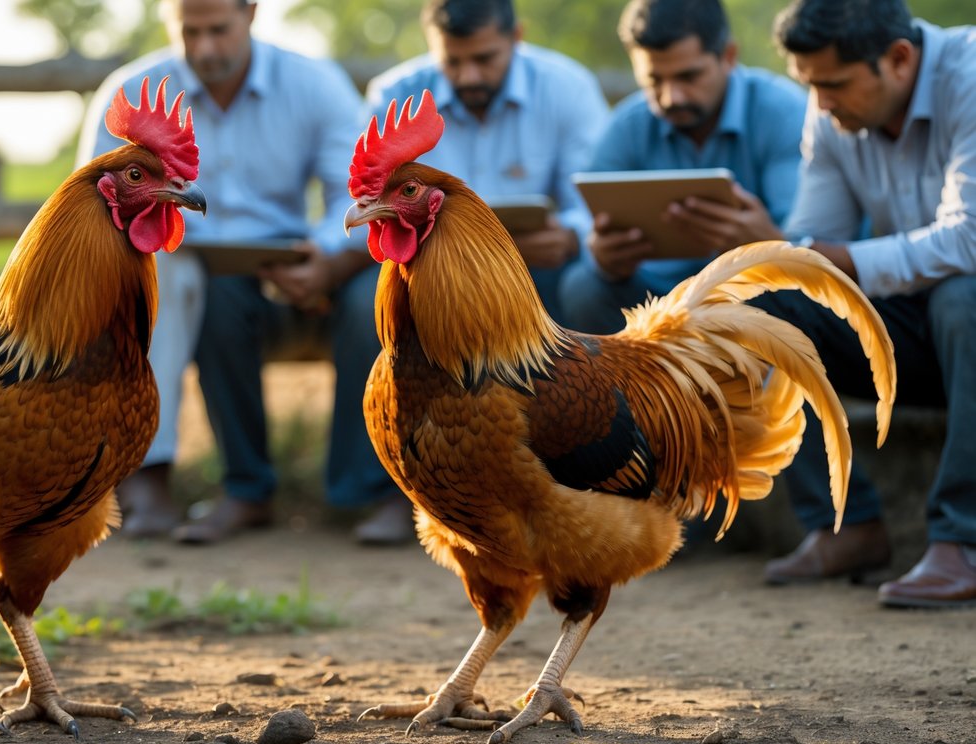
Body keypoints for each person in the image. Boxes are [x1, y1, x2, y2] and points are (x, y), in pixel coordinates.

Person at [78, 0, 413, 546]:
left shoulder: (314, 84)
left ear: (251, 13)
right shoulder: (133, 91)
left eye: (218, 29)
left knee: (366, 299)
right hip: (197, 277)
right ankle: (234, 487)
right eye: (190, 32)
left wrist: (326, 258)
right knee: (197, 284)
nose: (205, 47)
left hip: (303, 267)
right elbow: (92, 204)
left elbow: (356, 194)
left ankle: (373, 487)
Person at [753, 0, 976, 607]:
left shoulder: (968, 77)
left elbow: (969, 238)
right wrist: (779, 256)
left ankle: (963, 540)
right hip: (920, 330)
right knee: (772, 302)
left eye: (833, 84)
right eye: (810, 84)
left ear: (899, 59)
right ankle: (845, 524)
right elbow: (813, 236)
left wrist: (838, 258)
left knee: (963, 294)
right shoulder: (833, 109)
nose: (820, 102)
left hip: (964, 314)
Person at [558, 0, 808, 335]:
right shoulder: (627, 126)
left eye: (688, 76)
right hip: (655, 296)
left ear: (729, 56)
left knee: (784, 291)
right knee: (583, 287)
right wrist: (603, 258)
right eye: (653, 80)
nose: (671, 97)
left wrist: (769, 245)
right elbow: (590, 230)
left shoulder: (783, 113)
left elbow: (807, 239)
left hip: (750, 289)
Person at [362, 0, 609, 325]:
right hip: (431, 269)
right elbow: (369, 199)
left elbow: (591, 199)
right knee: (362, 303)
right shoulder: (394, 94)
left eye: (484, 58)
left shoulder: (568, 88)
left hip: (538, 265)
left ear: (516, 36)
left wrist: (570, 235)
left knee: (583, 289)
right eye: (451, 61)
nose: (468, 76)